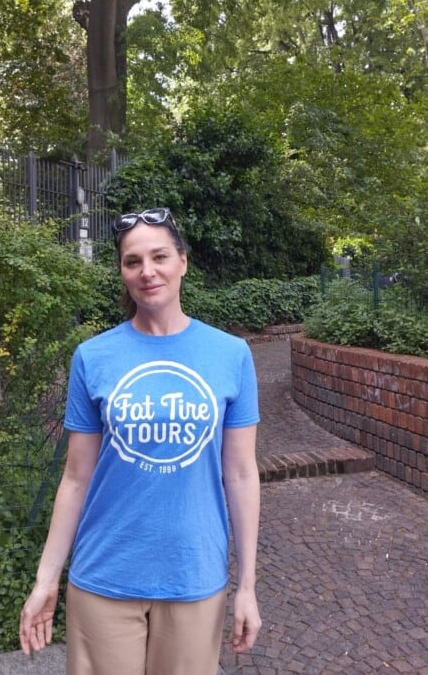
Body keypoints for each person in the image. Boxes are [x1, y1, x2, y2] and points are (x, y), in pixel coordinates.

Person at [19, 207, 262, 674]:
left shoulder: (231, 355)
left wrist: (246, 585)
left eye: (160, 256)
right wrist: (46, 578)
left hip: (193, 575)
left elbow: (241, 473)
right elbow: (76, 477)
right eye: (133, 261)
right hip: (105, 574)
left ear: (183, 261)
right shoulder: (93, 357)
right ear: (122, 272)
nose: (147, 271)